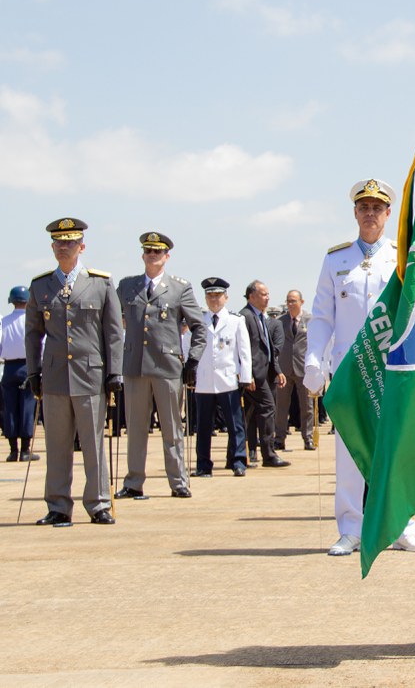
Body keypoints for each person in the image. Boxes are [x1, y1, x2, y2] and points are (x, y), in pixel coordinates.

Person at [303, 179, 415, 556]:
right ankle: (352, 528)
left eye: (377, 207)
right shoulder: (335, 260)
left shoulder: (402, 257)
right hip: (349, 371)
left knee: (398, 450)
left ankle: (402, 526)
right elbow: (323, 316)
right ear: (355, 213)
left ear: (389, 214)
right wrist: (313, 358)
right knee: (349, 451)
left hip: (393, 369)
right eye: (364, 207)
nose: (370, 213)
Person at [25, 218, 124, 526]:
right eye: (58, 242)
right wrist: (33, 371)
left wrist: (115, 372)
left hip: (90, 374)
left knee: (93, 444)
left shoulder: (100, 283)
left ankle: (98, 503)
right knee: (56, 444)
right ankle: (57, 504)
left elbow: (113, 332)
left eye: (69, 242)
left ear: (82, 246)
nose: (62, 247)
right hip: (54, 376)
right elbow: (33, 333)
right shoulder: (41, 286)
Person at [115, 232, 206, 500]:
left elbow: (199, 326)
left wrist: (193, 359)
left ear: (167, 257)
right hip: (134, 366)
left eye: (158, 252)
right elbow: (111, 321)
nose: (152, 255)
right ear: (143, 254)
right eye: (148, 251)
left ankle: (178, 481)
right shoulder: (127, 286)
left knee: (172, 428)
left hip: (167, 367)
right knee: (135, 428)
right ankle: (133, 482)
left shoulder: (180, 288)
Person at [191, 278, 252, 477]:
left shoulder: (236, 321)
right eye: (210, 295)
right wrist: (189, 372)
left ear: (226, 297)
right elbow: (189, 347)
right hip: (204, 381)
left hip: (228, 380)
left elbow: (244, 352)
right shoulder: (199, 321)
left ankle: (238, 461)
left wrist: (245, 376)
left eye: (217, 295)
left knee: (235, 424)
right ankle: (203, 465)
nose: (214, 299)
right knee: (203, 426)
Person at [240, 281, 289, 470]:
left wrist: (276, 369)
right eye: (263, 294)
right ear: (251, 296)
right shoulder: (246, 317)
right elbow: (245, 349)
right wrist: (248, 374)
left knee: (258, 412)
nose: (267, 297)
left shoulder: (260, 316)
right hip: (254, 376)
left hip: (265, 374)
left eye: (268, 294)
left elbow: (268, 349)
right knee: (267, 409)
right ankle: (268, 454)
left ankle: (253, 452)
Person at [275, 290, 314, 451]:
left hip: (303, 367)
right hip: (284, 368)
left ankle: (308, 438)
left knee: (307, 405)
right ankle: (279, 438)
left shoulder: (310, 320)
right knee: (281, 406)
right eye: (288, 301)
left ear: (301, 302)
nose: (291, 304)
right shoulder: (279, 321)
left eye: (294, 301)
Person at [1, 286, 37, 462]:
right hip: (28, 366)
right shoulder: (31, 321)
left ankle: (13, 450)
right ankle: (25, 450)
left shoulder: (3, 322)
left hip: (8, 368)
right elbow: (41, 345)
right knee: (27, 407)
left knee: (10, 408)